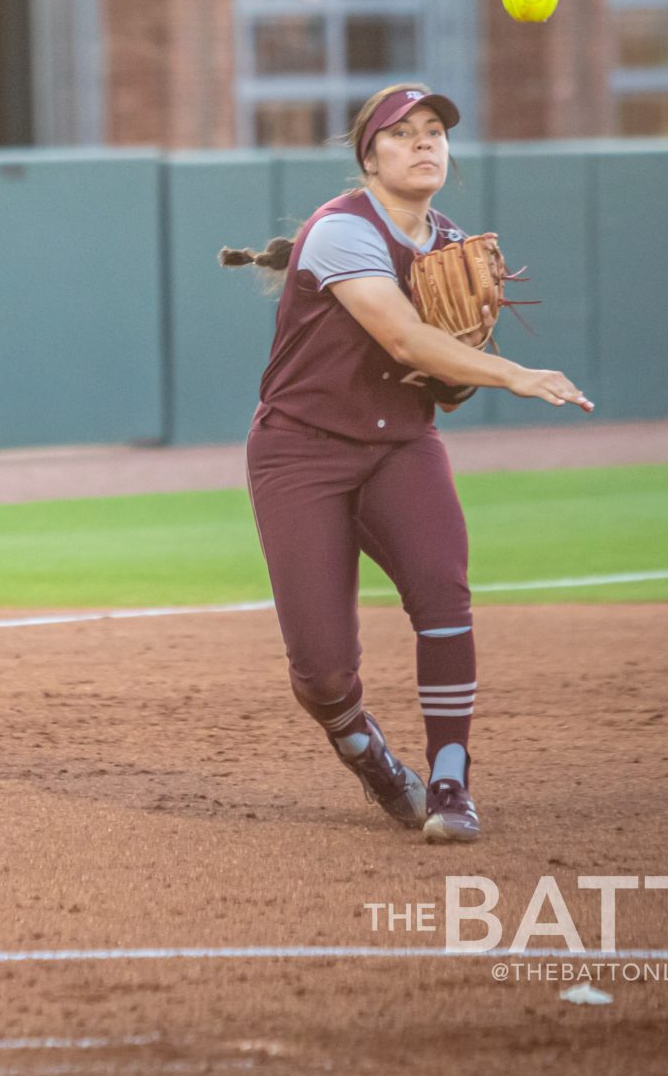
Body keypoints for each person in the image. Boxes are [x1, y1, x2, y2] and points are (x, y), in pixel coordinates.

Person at [229, 82, 591, 847]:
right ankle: (369, 754)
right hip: (302, 451)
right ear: (369, 156)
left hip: (401, 447)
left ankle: (451, 782)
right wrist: (514, 374)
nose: (425, 142)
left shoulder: (451, 243)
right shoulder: (340, 231)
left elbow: (441, 374)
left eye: (435, 131)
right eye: (403, 133)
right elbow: (401, 339)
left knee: (443, 595)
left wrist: (461, 372)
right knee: (323, 672)